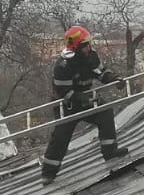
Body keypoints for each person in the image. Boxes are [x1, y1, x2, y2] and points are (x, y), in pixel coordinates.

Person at [41, 25, 128, 182]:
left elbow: (101, 72)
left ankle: (110, 152)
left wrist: (114, 79)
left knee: (105, 112)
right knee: (61, 137)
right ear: (76, 47)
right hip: (66, 105)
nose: (88, 48)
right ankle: (48, 173)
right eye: (84, 45)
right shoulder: (63, 65)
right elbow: (64, 92)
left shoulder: (91, 56)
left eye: (88, 44)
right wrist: (81, 98)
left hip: (86, 98)